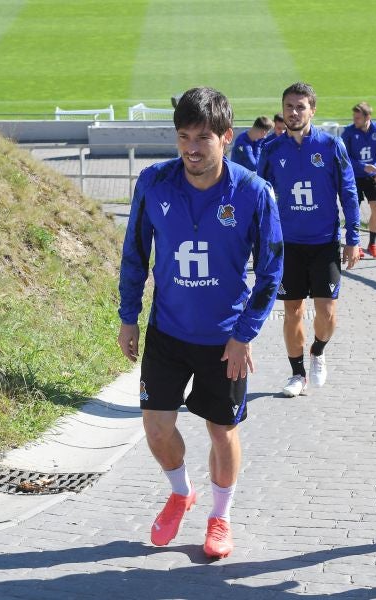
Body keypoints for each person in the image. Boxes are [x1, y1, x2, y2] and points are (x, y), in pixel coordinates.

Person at [117, 87, 283, 560]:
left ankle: (220, 517)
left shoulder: (253, 192)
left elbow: (272, 270)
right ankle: (180, 491)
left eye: (203, 138)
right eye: (184, 136)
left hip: (224, 341)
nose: (191, 147)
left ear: (226, 137)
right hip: (167, 333)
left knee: (220, 431)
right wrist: (129, 317)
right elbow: (135, 254)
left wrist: (243, 334)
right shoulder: (153, 182)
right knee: (156, 427)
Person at [257, 82, 360, 397]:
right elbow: (260, 197)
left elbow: (349, 191)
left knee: (327, 312)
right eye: (289, 106)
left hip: (324, 243)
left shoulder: (331, 146)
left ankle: (318, 350)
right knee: (292, 312)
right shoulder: (271, 150)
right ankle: (296, 374)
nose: (294, 112)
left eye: (301, 106)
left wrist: (353, 237)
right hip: (288, 246)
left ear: (312, 110)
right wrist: (259, 241)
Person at [341, 101, 376, 258]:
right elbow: (344, 157)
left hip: (372, 176)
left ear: (368, 117)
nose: (355, 120)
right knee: (354, 210)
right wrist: (362, 166)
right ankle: (357, 244)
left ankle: (373, 243)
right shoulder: (348, 132)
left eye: (358, 118)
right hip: (354, 177)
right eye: (354, 117)